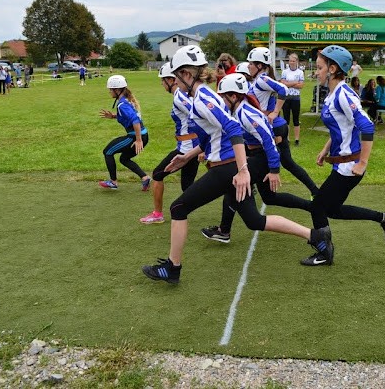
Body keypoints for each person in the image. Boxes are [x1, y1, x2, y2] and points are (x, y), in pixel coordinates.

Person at [141, 45, 333, 284]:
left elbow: (232, 128)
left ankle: (173, 268)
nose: (175, 82)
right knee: (254, 221)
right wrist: (187, 156)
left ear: (187, 74)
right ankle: (317, 236)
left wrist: (243, 171)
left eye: (176, 77)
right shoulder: (204, 96)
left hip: (226, 169)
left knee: (178, 208)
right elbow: (216, 134)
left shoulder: (202, 99)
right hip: (229, 167)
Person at [306, 45, 385, 266]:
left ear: (333, 69)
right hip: (341, 164)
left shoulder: (344, 95)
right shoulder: (332, 94)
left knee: (318, 206)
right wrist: (325, 149)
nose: (316, 72)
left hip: (349, 167)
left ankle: (324, 253)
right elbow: (342, 127)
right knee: (333, 210)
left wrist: (363, 162)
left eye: (319, 67)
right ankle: (384, 218)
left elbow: (367, 126)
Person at [201, 73, 312, 244]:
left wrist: (274, 170)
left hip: (262, 158)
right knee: (269, 197)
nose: (220, 100)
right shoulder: (238, 110)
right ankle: (311, 206)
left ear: (233, 96)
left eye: (223, 96)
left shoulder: (246, 113)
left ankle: (224, 230)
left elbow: (268, 140)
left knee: (233, 183)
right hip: (257, 156)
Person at [246, 47, 318, 197]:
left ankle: (251, 190)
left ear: (260, 65)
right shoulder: (258, 80)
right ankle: (315, 191)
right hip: (278, 126)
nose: (248, 66)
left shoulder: (262, 79)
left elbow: (283, 89)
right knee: (288, 163)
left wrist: (275, 112)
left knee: (250, 155)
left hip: (274, 127)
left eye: (251, 63)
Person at [139, 62, 199, 224]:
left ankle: (157, 214)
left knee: (157, 175)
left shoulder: (179, 97)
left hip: (187, 150)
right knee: (187, 186)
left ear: (170, 80)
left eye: (162, 80)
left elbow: (199, 115)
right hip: (189, 147)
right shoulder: (181, 95)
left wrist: (202, 147)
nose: (161, 84)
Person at [98, 75, 151, 190]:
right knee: (124, 159)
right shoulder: (127, 101)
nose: (109, 92)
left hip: (135, 137)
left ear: (117, 90)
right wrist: (113, 116)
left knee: (107, 152)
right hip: (144, 135)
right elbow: (129, 116)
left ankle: (113, 182)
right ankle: (145, 178)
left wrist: (138, 140)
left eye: (110, 89)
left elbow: (135, 120)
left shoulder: (122, 105)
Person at [280, 53, 305, 146]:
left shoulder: (300, 72)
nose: (292, 63)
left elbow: (301, 85)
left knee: (296, 119)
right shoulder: (285, 72)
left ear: (296, 61)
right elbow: (283, 83)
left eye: (293, 61)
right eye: (290, 61)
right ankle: (287, 139)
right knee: (286, 119)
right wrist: (295, 82)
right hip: (287, 97)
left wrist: (289, 83)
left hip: (295, 98)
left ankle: (297, 139)